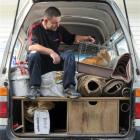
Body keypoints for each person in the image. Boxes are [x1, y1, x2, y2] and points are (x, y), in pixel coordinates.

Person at [27, 7, 95, 100]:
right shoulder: (35, 29)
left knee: (70, 54)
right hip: (41, 64)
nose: (58, 25)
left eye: (59, 22)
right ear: (46, 20)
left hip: (56, 62)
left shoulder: (59, 29)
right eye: (55, 23)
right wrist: (51, 52)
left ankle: (69, 88)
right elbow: (32, 46)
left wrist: (87, 38)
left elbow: (72, 38)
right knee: (33, 54)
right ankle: (34, 88)